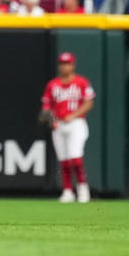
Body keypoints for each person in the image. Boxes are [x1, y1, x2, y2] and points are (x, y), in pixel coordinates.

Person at [40, 52, 95, 203]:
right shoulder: (52, 85)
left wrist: (74, 114)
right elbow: (46, 107)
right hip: (59, 125)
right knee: (63, 160)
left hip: (76, 123)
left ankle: (83, 190)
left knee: (75, 158)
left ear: (73, 65)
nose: (65, 66)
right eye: (62, 63)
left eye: (68, 63)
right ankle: (68, 191)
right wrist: (50, 120)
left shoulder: (82, 82)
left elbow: (89, 102)